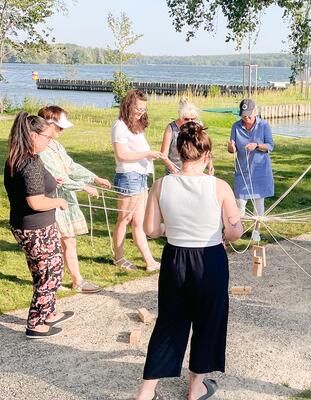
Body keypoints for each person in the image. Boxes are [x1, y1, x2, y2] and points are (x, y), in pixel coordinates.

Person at [135, 121, 243, 400]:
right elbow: (235, 231)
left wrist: (168, 229)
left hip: (175, 259)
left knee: (170, 323)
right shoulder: (219, 187)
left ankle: (146, 392)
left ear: (179, 153)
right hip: (209, 259)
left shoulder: (161, 185)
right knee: (208, 322)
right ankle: (195, 390)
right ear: (207, 156)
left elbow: (150, 230)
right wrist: (225, 233)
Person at [4, 112, 74, 339]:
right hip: (36, 228)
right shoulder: (30, 163)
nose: (49, 140)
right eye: (46, 137)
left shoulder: (20, 156)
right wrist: (59, 201)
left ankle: (49, 312)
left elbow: (35, 185)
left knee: (42, 270)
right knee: (50, 273)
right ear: (32, 135)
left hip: (28, 226)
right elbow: (35, 201)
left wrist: (53, 182)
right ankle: (35, 323)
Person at [37, 105, 111, 294]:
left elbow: (71, 166)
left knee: (69, 240)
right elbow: (58, 178)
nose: (62, 131)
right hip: (52, 201)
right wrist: (84, 187)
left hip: (66, 201)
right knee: (55, 244)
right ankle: (58, 281)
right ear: (48, 124)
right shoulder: (42, 150)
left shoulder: (56, 145)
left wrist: (94, 178)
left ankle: (73, 280)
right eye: (59, 127)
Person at [111, 89, 164, 271]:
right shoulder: (120, 126)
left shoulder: (136, 126)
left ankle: (149, 260)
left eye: (143, 108)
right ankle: (118, 258)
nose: (141, 111)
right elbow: (122, 155)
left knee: (138, 221)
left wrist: (149, 157)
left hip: (140, 176)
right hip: (128, 176)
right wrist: (148, 153)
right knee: (124, 219)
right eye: (138, 108)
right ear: (128, 105)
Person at [226, 98, 274, 242]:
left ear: (255, 111)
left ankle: (256, 231)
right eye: (244, 115)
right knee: (239, 202)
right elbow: (231, 149)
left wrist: (257, 146)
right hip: (243, 169)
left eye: (249, 115)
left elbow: (270, 146)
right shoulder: (236, 126)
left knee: (258, 202)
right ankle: (237, 229)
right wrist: (231, 147)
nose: (246, 118)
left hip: (260, 170)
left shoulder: (264, 125)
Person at [159, 97, 214, 175]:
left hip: (194, 171)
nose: (190, 122)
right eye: (186, 119)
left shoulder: (199, 126)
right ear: (180, 116)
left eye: (193, 119)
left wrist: (210, 165)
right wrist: (173, 169)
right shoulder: (171, 128)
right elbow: (163, 154)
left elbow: (206, 148)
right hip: (175, 172)